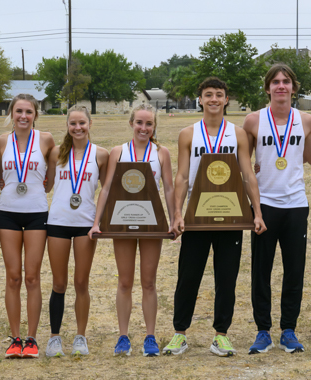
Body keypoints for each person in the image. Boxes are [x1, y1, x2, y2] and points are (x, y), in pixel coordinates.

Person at [161, 77, 266, 357]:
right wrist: (177, 214)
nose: (214, 99)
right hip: (197, 214)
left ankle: (221, 335)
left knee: (227, 277)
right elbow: (182, 177)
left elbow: (247, 174)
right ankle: (179, 333)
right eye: (208, 95)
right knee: (188, 276)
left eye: (219, 94)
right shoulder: (188, 134)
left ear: (227, 99)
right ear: (200, 99)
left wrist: (257, 212)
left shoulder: (238, 134)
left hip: (231, 213)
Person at [241, 63, 311, 354]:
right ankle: (263, 331)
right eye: (275, 81)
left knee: (294, 270)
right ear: (268, 87)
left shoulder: (307, 121)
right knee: (261, 270)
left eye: (286, 81)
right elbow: (245, 166)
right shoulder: (253, 120)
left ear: (294, 87)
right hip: (265, 205)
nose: (281, 86)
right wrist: (255, 208)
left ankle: (288, 329)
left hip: (296, 204)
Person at [88, 103, 177, 357]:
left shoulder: (162, 153)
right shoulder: (118, 152)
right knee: (125, 281)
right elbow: (105, 189)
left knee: (149, 282)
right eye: (139, 122)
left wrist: (172, 220)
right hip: (122, 223)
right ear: (131, 123)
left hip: (152, 225)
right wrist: (97, 222)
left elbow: (169, 189)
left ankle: (150, 337)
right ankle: (123, 336)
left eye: (149, 124)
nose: (144, 128)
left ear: (154, 127)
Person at [45, 105, 109, 357]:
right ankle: (54, 337)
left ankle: (80, 337)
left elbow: (106, 191)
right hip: (58, 222)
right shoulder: (55, 153)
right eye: (73, 123)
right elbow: (46, 185)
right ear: (67, 125)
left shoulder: (101, 155)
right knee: (59, 283)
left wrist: (99, 222)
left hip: (85, 224)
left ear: (90, 124)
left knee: (81, 282)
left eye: (82, 123)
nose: (78, 127)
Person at [0, 94, 55, 358]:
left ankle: (31, 339)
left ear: (35, 114)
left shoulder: (46, 139)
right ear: (11, 113)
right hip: (7, 213)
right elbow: (0, 177)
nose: (23, 116)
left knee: (31, 277)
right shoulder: (1, 142)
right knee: (13, 277)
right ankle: (15, 338)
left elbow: (49, 180)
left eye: (28, 112)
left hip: (36, 214)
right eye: (18, 111)